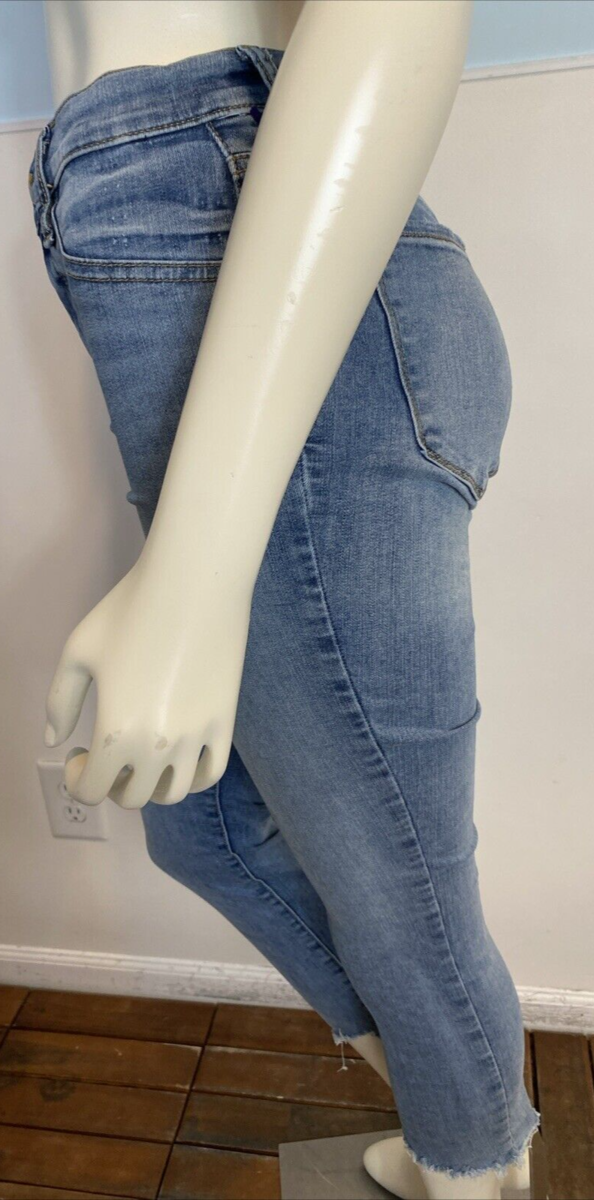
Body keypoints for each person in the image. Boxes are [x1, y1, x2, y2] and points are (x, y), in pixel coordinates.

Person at [28, 2, 540, 1196]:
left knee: (398, 876)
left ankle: (474, 1162)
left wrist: (194, 579)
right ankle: (466, 1121)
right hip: (191, 238)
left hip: (255, 230)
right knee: (201, 827)